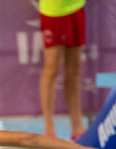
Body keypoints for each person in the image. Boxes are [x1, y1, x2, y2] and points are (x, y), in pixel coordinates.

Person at [39, 0, 87, 141]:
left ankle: (77, 126)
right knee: (52, 68)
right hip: (53, 10)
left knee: (74, 69)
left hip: (76, 7)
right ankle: (49, 128)